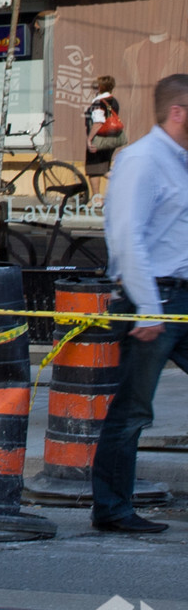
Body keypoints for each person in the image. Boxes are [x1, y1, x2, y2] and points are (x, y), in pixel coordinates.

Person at [91, 72, 188, 534]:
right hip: (153, 298)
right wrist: (149, 308)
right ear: (178, 111)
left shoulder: (182, 162)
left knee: (133, 409)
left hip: (181, 298)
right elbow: (127, 237)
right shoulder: (142, 160)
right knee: (132, 410)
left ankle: (113, 505)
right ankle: (112, 509)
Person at [88, 76, 126, 188]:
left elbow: (98, 122)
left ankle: (97, 199)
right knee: (105, 167)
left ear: (100, 88)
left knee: (95, 168)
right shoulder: (114, 101)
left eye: (95, 87)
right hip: (112, 138)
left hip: (101, 139)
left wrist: (89, 139)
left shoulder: (98, 102)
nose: (93, 89)